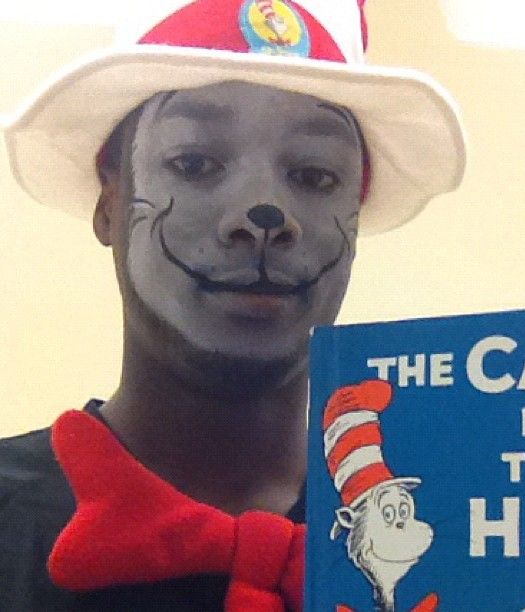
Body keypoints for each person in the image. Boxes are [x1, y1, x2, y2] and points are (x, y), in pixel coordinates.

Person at [0, 1, 465, 610]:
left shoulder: (456, 545)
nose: (263, 214)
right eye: (194, 163)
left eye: (314, 175)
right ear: (110, 203)